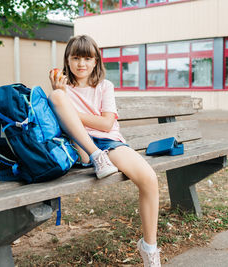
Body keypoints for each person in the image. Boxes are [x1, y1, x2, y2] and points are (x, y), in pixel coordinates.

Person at [48, 35, 161, 267]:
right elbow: (59, 124)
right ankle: (95, 156)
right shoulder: (63, 88)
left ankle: (149, 249)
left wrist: (68, 113)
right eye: (76, 57)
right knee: (55, 96)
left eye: (88, 58)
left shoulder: (104, 86)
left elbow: (106, 124)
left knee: (149, 179)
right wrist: (60, 102)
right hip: (78, 145)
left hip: (108, 143)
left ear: (96, 61)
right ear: (67, 60)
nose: (82, 64)